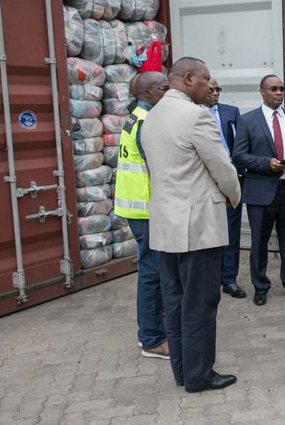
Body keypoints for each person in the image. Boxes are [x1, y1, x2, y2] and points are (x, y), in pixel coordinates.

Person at [141, 57, 241, 392]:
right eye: (206, 79)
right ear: (187, 79)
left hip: (165, 226)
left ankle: (183, 371)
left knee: (176, 302)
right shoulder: (196, 116)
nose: (210, 85)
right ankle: (200, 376)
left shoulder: (151, 118)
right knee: (200, 302)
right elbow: (222, 167)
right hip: (198, 226)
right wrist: (234, 197)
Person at [232, 75, 285, 306]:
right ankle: (260, 286)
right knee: (259, 242)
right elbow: (239, 156)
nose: (278, 93)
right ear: (261, 91)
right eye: (273, 89)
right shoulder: (247, 120)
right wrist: (267, 164)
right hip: (261, 191)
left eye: (281, 89)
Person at [114, 71, 170, 360]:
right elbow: (160, 166)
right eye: (163, 88)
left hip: (136, 207)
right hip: (145, 208)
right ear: (146, 93)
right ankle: (152, 339)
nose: (168, 92)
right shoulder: (147, 123)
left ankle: (152, 331)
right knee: (152, 273)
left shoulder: (134, 116)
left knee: (152, 270)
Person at [205, 78, 246, 299]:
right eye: (210, 89)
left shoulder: (231, 112)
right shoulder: (194, 114)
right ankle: (211, 278)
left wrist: (238, 172)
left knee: (231, 232)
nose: (215, 93)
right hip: (205, 183)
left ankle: (229, 278)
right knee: (210, 232)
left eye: (217, 89)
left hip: (230, 179)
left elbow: (240, 144)